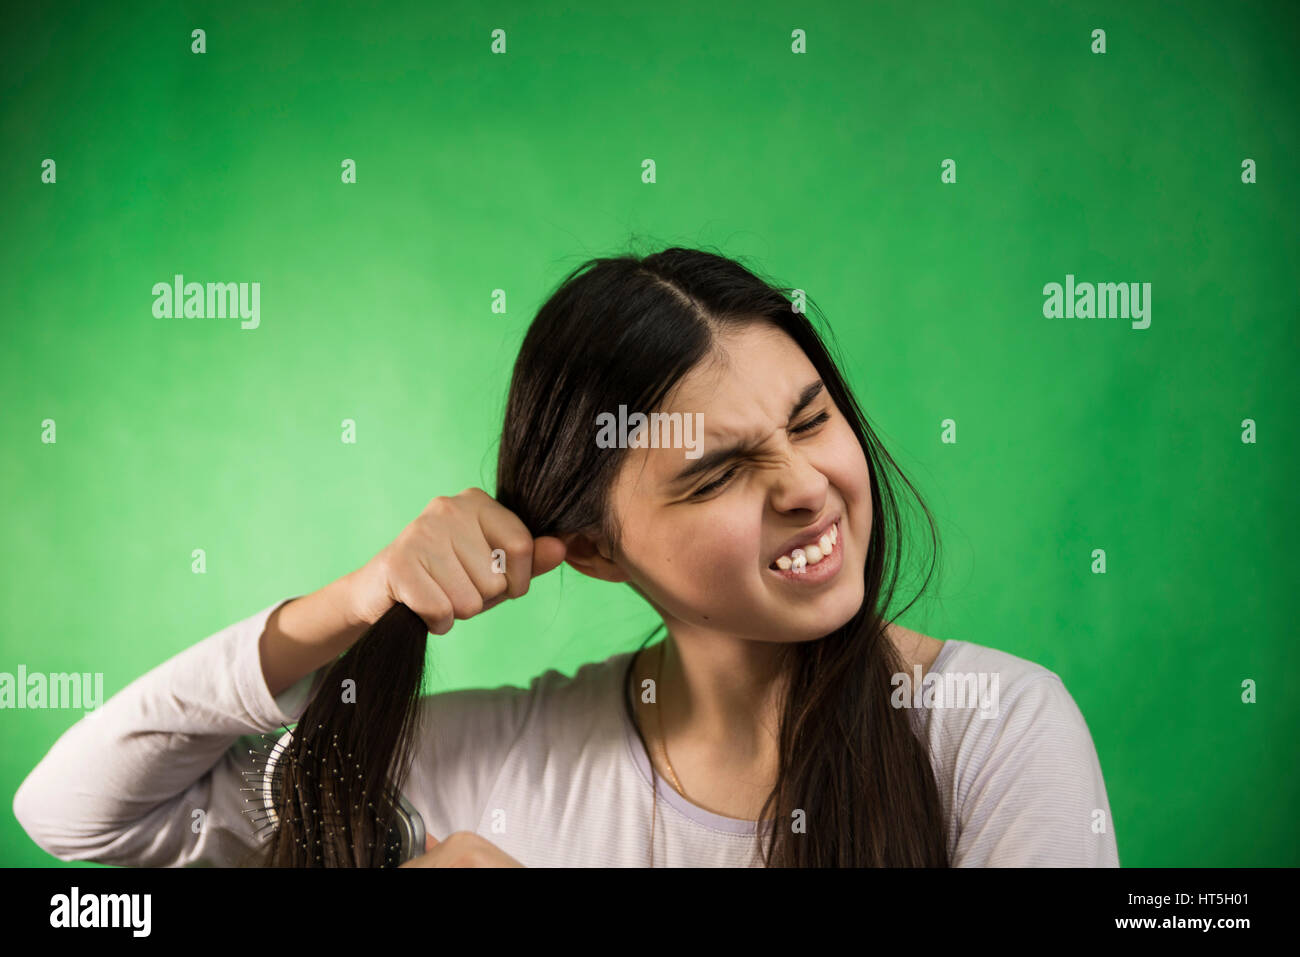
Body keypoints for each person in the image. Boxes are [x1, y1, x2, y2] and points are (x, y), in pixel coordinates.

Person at [13, 245, 1119, 867]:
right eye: (717, 471)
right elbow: (78, 812)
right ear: (593, 549)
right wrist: (358, 598)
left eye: (811, 417)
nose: (803, 486)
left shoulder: (994, 726)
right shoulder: (486, 761)